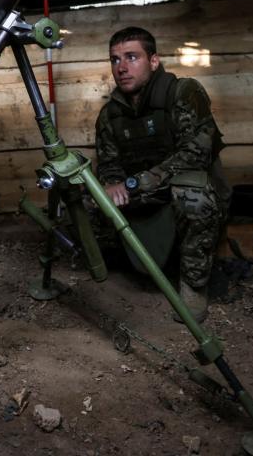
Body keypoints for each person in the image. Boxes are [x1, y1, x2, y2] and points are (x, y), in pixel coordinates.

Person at [95, 26, 230, 322]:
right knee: (85, 195)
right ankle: (115, 265)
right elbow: (108, 162)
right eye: (115, 60)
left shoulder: (183, 92)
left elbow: (195, 154)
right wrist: (111, 183)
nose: (122, 67)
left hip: (180, 192)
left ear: (153, 61)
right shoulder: (111, 114)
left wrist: (137, 183)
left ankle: (193, 285)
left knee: (192, 193)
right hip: (143, 197)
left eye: (132, 57)